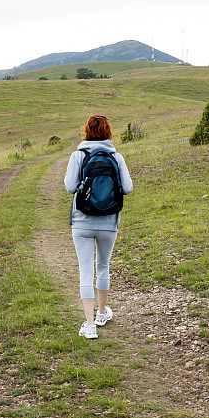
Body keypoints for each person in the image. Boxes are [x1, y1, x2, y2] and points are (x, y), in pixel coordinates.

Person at [64, 115, 133, 339]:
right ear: (108, 132)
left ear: (87, 132)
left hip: (82, 221)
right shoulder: (116, 156)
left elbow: (69, 186)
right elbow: (128, 188)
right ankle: (102, 313)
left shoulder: (78, 155)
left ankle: (90, 324)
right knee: (103, 265)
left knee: (86, 270)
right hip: (109, 222)